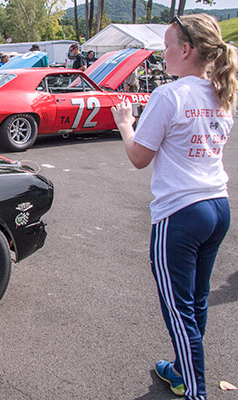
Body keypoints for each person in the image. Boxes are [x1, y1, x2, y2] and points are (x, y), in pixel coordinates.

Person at [110, 14, 237, 400]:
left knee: (179, 310)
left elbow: (138, 157)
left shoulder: (170, 95)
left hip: (181, 214)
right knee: (196, 301)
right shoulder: (222, 93)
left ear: (186, 50)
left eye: (166, 46)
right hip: (217, 206)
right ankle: (182, 371)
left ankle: (195, 390)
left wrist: (125, 123)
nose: (162, 53)